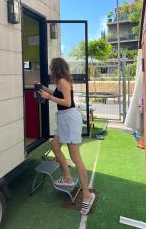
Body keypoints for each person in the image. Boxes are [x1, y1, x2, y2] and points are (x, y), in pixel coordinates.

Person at [38, 57, 95, 215]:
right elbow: (57, 94)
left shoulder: (63, 81)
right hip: (65, 119)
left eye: (51, 67)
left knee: (75, 157)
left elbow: (67, 102)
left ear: (56, 68)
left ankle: (87, 195)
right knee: (55, 146)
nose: (49, 70)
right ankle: (68, 177)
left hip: (69, 119)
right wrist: (42, 88)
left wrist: (49, 97)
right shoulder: (60, 82)